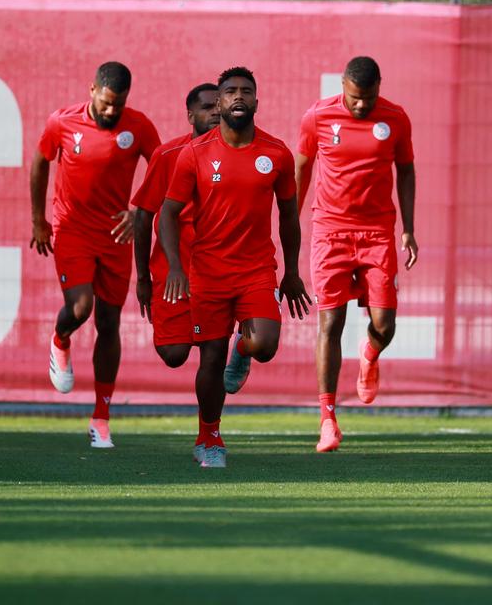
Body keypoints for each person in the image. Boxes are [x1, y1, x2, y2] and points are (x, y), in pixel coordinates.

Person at [160, 66, 311, 468]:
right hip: (208, 272)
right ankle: (209, 436)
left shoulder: (276, 153)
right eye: (230, 91)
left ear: (257, 101)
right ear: (220, 101)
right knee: (209, 358)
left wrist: (292, 272)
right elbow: (168, 213)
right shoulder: (195, 153)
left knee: (264, 345)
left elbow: (289, 216)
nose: (238, 96)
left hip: (256, 270)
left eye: (246, 91)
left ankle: (242, 350)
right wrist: (175, 266)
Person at [30, 62, 160, 448]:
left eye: (118, 104)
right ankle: (61, 338)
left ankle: (101, 417)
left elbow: (164, 168)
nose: (111, 110)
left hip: (117, 236)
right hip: (72, 229)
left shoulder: (138, 126)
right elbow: (39, 162)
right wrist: (38, 220)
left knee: (109, 322)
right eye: (106, 102)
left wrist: (138, 211)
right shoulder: (62, 122)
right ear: (92, 90)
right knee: (81, 307)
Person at [295, 56, 417, 453]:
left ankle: (369, 354)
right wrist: (291, 221)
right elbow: (302, 168)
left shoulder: (396, 118)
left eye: (368, 97)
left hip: (377, 233)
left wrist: (408, 228)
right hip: (330, 231)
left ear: (379, 86)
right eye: (354, 98)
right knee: (330, 322)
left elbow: (406, 171)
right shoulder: (317, 116)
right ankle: (328, 420)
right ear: (343, 87)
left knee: (384, 324)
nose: (361, 105)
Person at [132, 83, 219, 369]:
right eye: (207, 107)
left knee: (214, 353)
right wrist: (142, 278)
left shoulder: (240, 154)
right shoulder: (167, 155)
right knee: (174, 353)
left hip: (219, 272)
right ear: (190, 116)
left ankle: (241, 344)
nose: (216, 113)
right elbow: (143, 217)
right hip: (173, 270)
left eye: (219, 107)